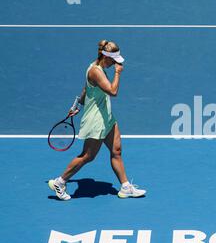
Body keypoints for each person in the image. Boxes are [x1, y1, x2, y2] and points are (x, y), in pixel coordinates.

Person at [48, 40, 146, 200]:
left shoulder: (97, 67)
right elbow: (113, 91)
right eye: (114, 60)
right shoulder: (95, 71)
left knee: (116, 151)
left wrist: (77, 103)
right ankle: (60, 182)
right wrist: (118, 73)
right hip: (96, 120)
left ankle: (125, 187)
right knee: (88, 156)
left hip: (106, 117)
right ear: (105, 57)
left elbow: (87, 88)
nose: (116, 63)